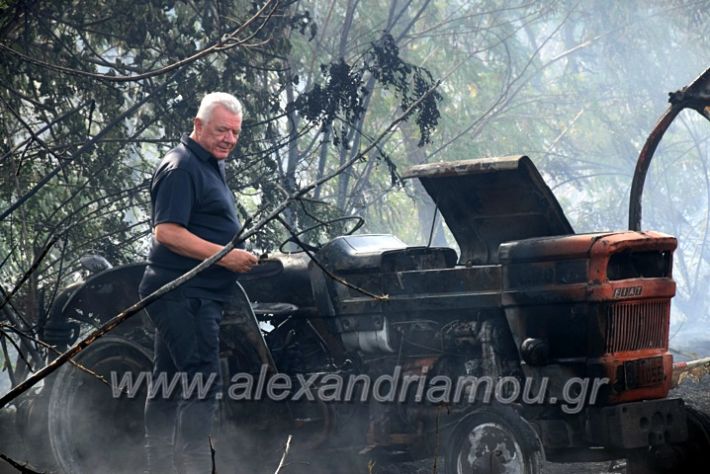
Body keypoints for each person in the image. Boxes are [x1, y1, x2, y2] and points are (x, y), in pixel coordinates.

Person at [138, 92, 259, 473]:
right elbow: (167, 233)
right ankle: (192, 466)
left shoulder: (209, 165)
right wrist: (227, 255)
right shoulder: (181, 167)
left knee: (168, 382)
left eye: (236, 133)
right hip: (183, 293)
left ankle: (158, 466)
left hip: (190, 293)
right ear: (198, 125)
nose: (229, 139)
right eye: (222, 129)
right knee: (201, 382)